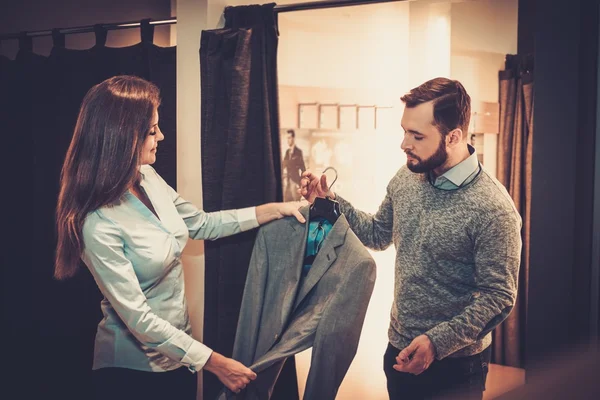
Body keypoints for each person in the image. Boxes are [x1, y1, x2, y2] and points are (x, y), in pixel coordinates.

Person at [54, 75, 305, 400]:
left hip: (179, 362)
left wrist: (275, 209)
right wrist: (214, 362)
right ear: (122, 136)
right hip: (130, 375)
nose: (161, 136)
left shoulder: (147, 177)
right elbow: (139, 320)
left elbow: (202, 224)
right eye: (151, 130)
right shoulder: (97, 222)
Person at [299, 77, 522, 400]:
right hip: (398, 349)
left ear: (454, 136)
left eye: (417, 135)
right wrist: (328, 201)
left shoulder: (494, 209)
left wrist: (436, 343)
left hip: (455, 366)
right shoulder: (407, 176)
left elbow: (498, 296)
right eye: (405, 131)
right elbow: (377, 234)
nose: (404, 143)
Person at [282, 129, 306, 202]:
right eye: (287, 138)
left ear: (293, 138)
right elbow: (283, 165)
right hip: (288, 181)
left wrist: (301, 183)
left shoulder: (298, 152)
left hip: (295, 182)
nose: (288, 140)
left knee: (296, 202)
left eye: (289, 138)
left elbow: (303, 168)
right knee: (286, 201)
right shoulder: (287, 152)